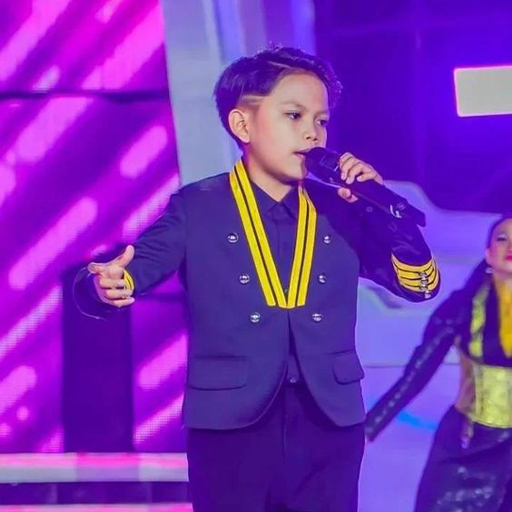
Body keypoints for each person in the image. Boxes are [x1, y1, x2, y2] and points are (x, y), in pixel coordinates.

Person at [74, 46, 440, 512]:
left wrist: (380, 211)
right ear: (242, 125)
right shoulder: (198, 207)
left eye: (321, 120)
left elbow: (419, 285)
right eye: (294, 115)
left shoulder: (341, 210)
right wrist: (105, 285)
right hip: (231, 422)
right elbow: (133, 268)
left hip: (329, 420)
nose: (312, 132)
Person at [365, 215, 512, 512]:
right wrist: (367, 429)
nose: (511, 246)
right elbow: (416, 374)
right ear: (488, 254)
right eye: (502, 238)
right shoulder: (461, 308)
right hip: (467, 444)